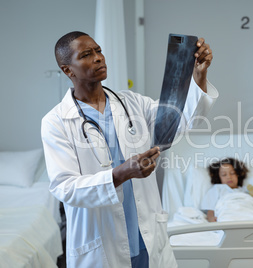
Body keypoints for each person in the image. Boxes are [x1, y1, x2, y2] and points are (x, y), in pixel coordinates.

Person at [41, 31, 218, 268]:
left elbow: (181, 122)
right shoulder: (56, 121)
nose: (98, 58)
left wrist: (198, 75)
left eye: (98, 51)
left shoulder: (132, 103)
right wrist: (122, 173)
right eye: (86, 54)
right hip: (101, 244)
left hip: (146, 237)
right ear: (67, 70)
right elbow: (65, 188)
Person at [200, 158, 253, 222]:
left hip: (250, 214)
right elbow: (210, 210)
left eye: (232, 173)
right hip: (228, 214)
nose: (229, 177)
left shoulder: (247, 190)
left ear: (238, 174)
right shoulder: (216, 189)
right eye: (224, 174)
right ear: (218, 177)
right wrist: (212, 220)